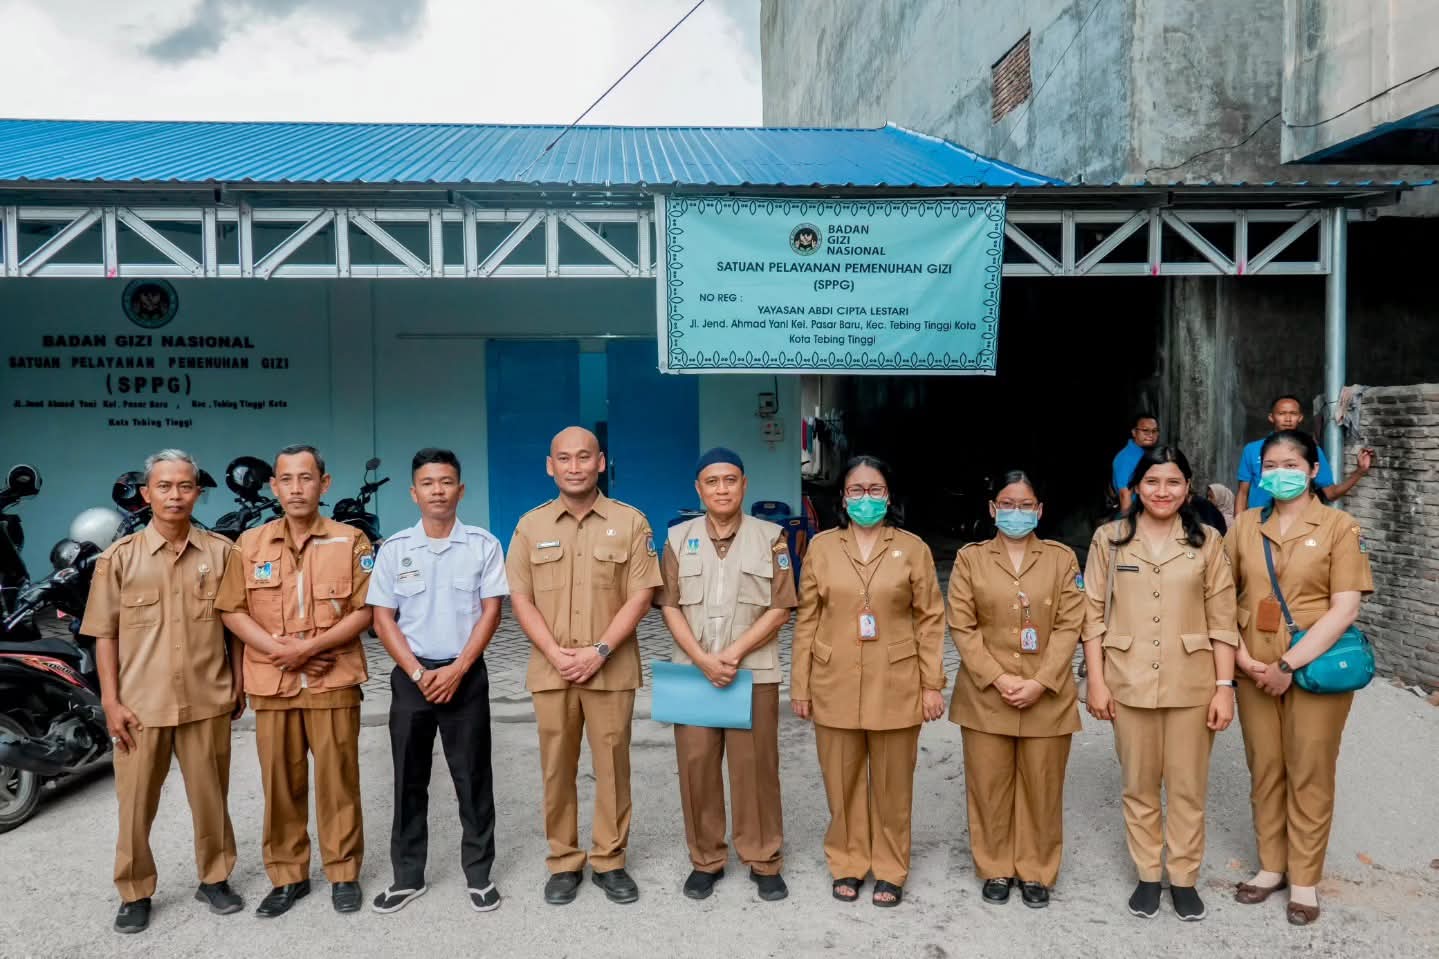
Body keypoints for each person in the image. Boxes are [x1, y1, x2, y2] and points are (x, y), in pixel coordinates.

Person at [80, 449, 245, 934]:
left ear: (198, 492)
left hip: (206, 699)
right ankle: (135, 890)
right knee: (134, 804)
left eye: (185, 486)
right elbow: (103, 634)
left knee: (212, 796)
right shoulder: (119, 558)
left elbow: (233, 627)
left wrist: (237, 682)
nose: (176, 495)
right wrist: (110, 700)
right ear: (147, 493)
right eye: (165, 487)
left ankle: (214, 878)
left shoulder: (221, 553)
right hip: (139, 707)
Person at [215, 445, 374, 917]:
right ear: (274, 487)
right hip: (274, 682)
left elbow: (367, 610)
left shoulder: (351, 541)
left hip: (333, 680)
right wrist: (283, 652)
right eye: (287, 479)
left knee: (338, 780)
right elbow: (232, 610)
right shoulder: (250, 544)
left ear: (324, 485)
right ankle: (288, 876)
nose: (297, 488)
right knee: (280, 783)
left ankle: (343, 872)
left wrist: (309, 649)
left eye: (307, 478)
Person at [1081, 446, 1238, 922]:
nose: (1162, 491)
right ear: (1135, 487)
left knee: (1188, 787)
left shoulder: (1207, 540)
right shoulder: (1109, 539)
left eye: (1172, 482)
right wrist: (1096, 682)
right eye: (1152, 482)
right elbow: (1090, 615)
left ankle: (1184, 878)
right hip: (1127, 679)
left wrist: (1225, 686)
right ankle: (1149, 874)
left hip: (1192, 681)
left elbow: (1223, 617)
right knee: (1139, 784)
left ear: (1187, 488)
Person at [506, 427, 662, 906]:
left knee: (612, 765)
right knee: (557, 767)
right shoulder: (530, 526)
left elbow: (643, 593)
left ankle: (609, 859)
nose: (574, 466)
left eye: (584, 457)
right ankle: (563, 860)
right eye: (564, 458)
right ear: (550, 466)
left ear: (600, 463)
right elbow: (520, 597)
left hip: (609, 668)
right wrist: (555, 654)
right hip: (551, 670)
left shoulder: (630, 522)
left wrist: (599, 651)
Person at [1224, 429, 1373, 926]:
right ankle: (1271, 867)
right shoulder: (1245, 525)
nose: (1280, 473)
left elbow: (1344, 607)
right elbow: (1222, 597)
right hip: (1251, 666)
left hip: (1313, 668)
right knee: (1265, 767)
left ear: (1313, 471)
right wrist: (1245, 661)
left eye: (1291, 464)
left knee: (1309, 769)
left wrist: (1288, 665)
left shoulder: (1338, 526)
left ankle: (1304, 879)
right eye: (1271, 465)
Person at [790, 455, 946, 908]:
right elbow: (807, 619)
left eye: (874, 490)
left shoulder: (911, 547)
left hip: (896, 679)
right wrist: (800, 684)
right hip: (833, 678)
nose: (865, 499)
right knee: (842, 781)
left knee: (893, 785)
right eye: (856, 491)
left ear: (889, 495)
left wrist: (931, 684)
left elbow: (931, 619)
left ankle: (892, 868)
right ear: (842, 497)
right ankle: (848, 862)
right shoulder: (822, 546)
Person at [366, 448, 509, 915]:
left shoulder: (484, 545)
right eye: (428, 483)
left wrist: (458, 668)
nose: (438, 491)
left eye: (446, 482)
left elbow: (492, 611)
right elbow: (383, 618)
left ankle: (480, 875)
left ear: (460, 489)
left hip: (465, 675)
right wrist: (417, 671)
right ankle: (408, 877)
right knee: (409, 778)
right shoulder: (394, 550)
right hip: (412, 677)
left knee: (473, 777)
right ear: (414, 492)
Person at [657, 447, 797, 902]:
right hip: (692, 673)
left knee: (755, 768)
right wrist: (701, 658)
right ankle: (706, 860)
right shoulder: (678, 539)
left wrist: (731, 654)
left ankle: (763, 858)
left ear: (744, 484)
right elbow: (669, 605)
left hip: (752, 672)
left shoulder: (772, 537)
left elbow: (781, 607)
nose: (722, 488)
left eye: (730, 480)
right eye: (712, 481)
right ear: (698, 488)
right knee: (696, 768)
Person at [947, 470, 1085, 909]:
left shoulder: (1062, 559)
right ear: (992, 509)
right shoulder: (971, 559)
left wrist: (1042, 680)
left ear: (1040, 510)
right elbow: (962, 625)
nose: (1016, 512)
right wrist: (1001, 678)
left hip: (1048, 693)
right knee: (989, 785)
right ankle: (995, 867)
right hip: (986, 693)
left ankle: (1037, 870)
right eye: (1007, 504)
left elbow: (1070, 624)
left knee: (1042, 786)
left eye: (1026, 505)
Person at [1235, 395, 1374, 512]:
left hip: (1297, 523)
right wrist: (1238, 527)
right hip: (1259, 521)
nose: (1288, 419)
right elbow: (1242, 493)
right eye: (1282, 414)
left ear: (1300, 418)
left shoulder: (1311, 449)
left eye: (1293, 414)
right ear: (1271, 417)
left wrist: (1360, 471)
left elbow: (1331, 494)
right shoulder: (1252, 449)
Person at [1112, 412, 1160, 514]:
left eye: (1154, 431)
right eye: (1145, 430)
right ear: (1134, 432)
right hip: (1136, 514)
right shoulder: (1126, 458)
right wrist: (1129, 526)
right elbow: (1125, 496)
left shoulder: (1149, 453)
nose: (1150, 435)